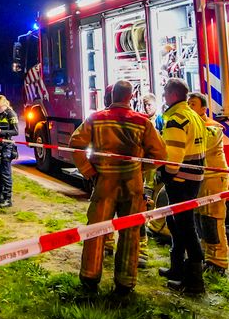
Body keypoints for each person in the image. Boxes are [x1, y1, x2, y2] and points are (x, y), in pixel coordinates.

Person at [70, 79, 165, 295]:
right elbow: (160, 155)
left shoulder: (95, 119)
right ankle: (125, 282)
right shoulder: (143, 122)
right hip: (132, 186)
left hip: (104, 183)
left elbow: (75, 144)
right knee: (130, 232)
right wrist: (139, 168)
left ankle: (89, 278)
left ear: (112, 97)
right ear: (130, 97)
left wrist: (89, 171)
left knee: (96, 231)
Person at [158, 78, 207, 294]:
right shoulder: (194, 116)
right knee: (175, 222)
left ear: (172, 95)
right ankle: (176, 269)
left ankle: (194, 280)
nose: (164, 97)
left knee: (185, 226)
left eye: (165, 93)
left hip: (180, 179)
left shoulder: (176, 119)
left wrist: (165, 174)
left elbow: (174, 155)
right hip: (193, 177)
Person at [189, 92, 229, 277]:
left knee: (213, 220)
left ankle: (219, 262)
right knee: (201, 220)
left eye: (193, 104)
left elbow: (198, 146)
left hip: (213, 178)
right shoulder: (195, 126)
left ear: (203, 109)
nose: (189, 107)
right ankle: (209, 258)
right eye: (188, 103)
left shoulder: (212, 128)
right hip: (202, 178)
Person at [0, 94, 21, 208]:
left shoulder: (11, 114)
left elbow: (15, 131)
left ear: (5, 104)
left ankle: (7, 199)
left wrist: (0, 131)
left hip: (6, 147)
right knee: (0, 173)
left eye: (0, 107)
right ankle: (0, 196)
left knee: (6, 174)